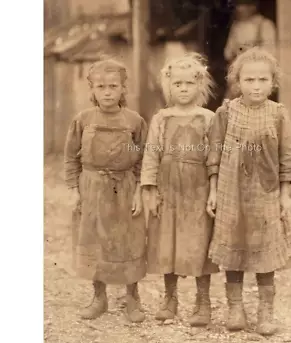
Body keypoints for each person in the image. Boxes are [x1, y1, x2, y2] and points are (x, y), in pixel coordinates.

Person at [206, 47, 291, 335]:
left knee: (264, 250)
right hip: (229, 190)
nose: (256, 86)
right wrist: (212, 190)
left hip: (265, 192)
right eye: (249, 80)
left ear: (273, 82)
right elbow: (214, 153)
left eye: (262, 80)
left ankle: (265, 311)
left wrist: (284, 195)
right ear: (237, 81)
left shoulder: (279, 115)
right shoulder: (226, 112)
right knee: (233, 246)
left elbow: (288, 157)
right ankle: (235, 308)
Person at [64, 59, 148, 322]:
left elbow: (144, 158)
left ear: (124, 88)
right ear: (92, 89)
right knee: (95, 240)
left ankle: (133, 298)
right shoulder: (83, 120)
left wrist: (139, 192)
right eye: (101, 86)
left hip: (125, 187)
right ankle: (98, 298)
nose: (108, 91)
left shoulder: (134, 121)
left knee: (128, 240)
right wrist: (74, 189)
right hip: (92, 187)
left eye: (114, 86)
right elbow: (71, 158)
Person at [140, 53, 219, 327]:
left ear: (200, 86)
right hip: (168, 189)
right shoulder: (161, 118)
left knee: (199, 243)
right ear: (168, 86)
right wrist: (149, 190)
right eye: (177, 84)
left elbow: (214, 158)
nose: (183, 89)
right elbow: (151, 155)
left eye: (188, 83)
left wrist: (213, 190)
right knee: (167, 243)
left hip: (197, 189)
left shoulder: (208, 118)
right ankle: (170, 300)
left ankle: (203, 301)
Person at [224, 0, 277, 99]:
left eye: (243, 5)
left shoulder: (265, 25)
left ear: (253, 6)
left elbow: (271, 53)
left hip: (257, 75)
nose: (240, 9)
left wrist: (250, 52)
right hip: (238, 76)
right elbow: (227, 52)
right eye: (238, 5)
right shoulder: (237, 26)